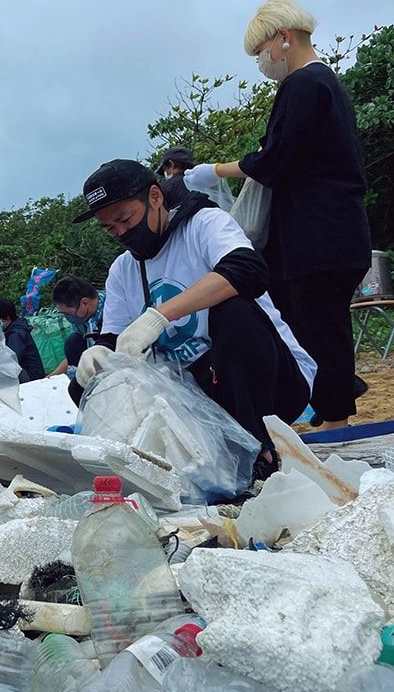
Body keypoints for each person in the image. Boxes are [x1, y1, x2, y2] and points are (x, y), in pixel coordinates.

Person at [184, 0, 371, 430]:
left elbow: (275, 159)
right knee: (315, 321)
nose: (262, 63)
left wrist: (215, 170)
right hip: (332, 231)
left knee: (319, 325)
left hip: (320, 235)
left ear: (283, 39)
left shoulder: (303, 85)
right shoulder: (326, 84)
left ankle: (335, 418)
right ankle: (330, 409)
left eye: (260, 51)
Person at [71, 159, 316, 485]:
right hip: (202, 403)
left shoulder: (204, 225)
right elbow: (114, 337)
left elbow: (247, 270)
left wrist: (160, 315)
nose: (121, 232)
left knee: (233, 311)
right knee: (86, 385)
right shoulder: (122, 270)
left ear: (155, 197)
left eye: (125, 218)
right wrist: (99, 354)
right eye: (109, 228)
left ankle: (260, 450)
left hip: (272, 383)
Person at [51, 276, 105, 373]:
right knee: (73, 342)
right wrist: (49, 378)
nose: (67, 317)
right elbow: (74, 354)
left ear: (84, 303)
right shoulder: (82, 318)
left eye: (67, 313)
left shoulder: (113, 312)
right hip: (94, 359)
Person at [0, 298, 46, 383]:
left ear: (7, 317)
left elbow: (11, 358)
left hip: (31, 376)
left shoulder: (16, 333)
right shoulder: (11, 329)